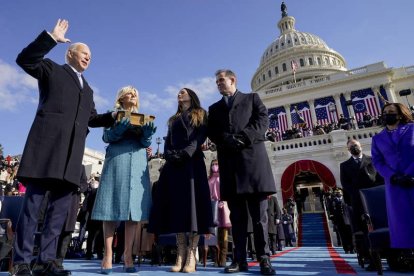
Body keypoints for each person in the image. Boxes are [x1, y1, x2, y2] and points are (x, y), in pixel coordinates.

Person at [12, 19, 115, 276]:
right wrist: (50, 39)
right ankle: (22, 261)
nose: (88, 58)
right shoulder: (51, 69)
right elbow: (25, 60)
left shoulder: (88, 89)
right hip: (46, 152)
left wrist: (114, 116)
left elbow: (91, 118)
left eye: (91, 56)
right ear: (70, 53)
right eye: (84, 53)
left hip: (71, 159)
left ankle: (46, 261)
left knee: (58, 215)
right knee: (32, 209)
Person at [207, 69, 277, 275]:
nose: (218, 84)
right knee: (237, 219)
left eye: (221, 80)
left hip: (253, 165)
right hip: (230, 168)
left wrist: (243, 137)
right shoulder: (214, 108)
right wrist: (225, 138)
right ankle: (239, 260)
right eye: (216, 81)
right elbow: (212, 131)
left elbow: (262, 121)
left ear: (233, 80)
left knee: (259, 218)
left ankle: (264, 259)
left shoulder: (252, 98)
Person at [91, 85, 156, 274]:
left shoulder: (143, 118)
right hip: (117, 160)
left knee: (133, 211)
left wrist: (148, 135)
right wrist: (118, 129)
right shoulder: (112, 116)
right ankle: (108, 255)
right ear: (121, 97)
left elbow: (145, 143)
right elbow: (106, 137)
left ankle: (128, 256)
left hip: (137, 162)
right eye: (129, 93)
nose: (133, 95)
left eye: (135, 93)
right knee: (109, 207)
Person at [148, 88, 214, 273]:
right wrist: (169, 155)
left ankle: (191, 253)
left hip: (192, 163)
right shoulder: (173, 119)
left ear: (191, 95)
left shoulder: (200, 113)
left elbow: (200, 136)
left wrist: (187, 153)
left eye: (183, 92)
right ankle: (180, 252)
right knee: (177, 207)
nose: (179, 94)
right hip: (174, 166)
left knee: (192, 206)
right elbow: (168, 140)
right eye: (178, 92)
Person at [371, 103, 414, 251]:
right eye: (385, 112)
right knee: (403, 221)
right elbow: (377, 161)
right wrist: (393, 177)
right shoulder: (377, 139)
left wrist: (409, 173)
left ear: (400, 114)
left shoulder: (412, 128)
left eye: (391, 112)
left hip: (412, 178)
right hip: (395, 185)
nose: (387, 114)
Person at [340, 139, 384, 233]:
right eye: (351, 147)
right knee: (362, 226)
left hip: (375, 197)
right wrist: (357, 193)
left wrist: (373, 190)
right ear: (348, 150)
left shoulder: (372, 160)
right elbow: (345, 184)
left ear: (361, 146)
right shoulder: (344, 165)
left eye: (355, 145)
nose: (354, 148)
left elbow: (381, 178)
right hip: (358, 200)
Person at [208, 159, 231, 267]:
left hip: (223, 206)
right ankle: (215, 259)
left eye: (216, 164)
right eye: (213, 164)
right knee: (213, 235)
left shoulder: (223, 177)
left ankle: (223, 258)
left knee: (224, 234)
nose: (214, 166)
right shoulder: (209, 179)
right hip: (213, 207)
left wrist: (223, 200)